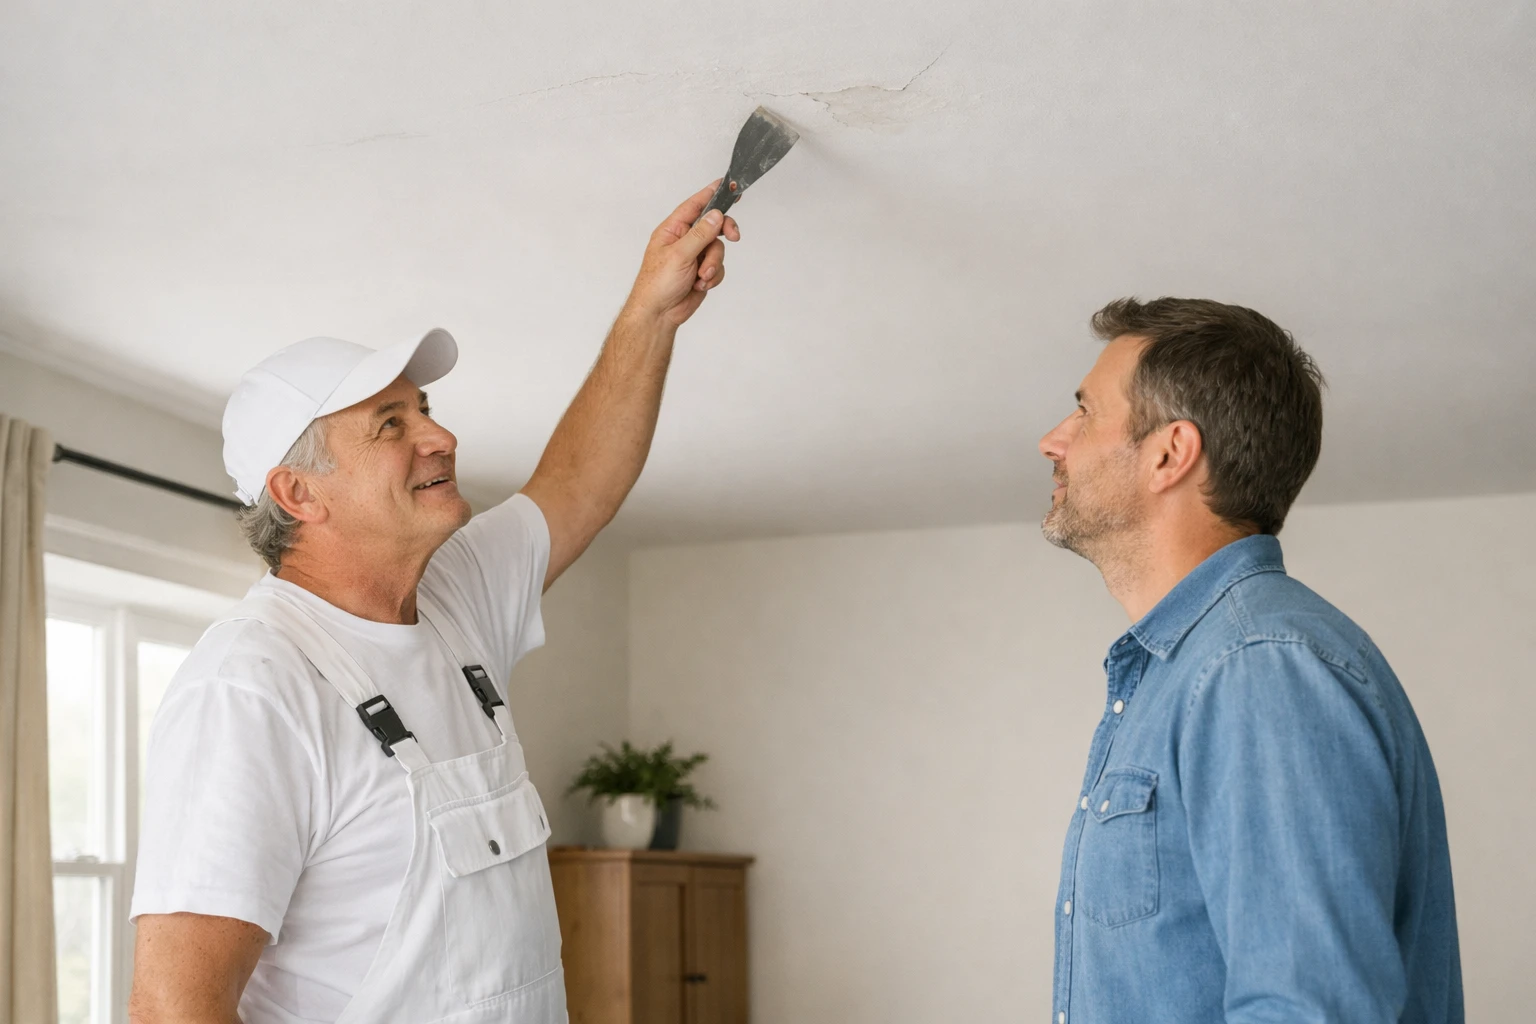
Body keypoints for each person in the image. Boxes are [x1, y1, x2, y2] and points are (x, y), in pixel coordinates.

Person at [126, 185, 741, 1024]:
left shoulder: (452, 597)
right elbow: (175, 1009)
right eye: (390, 423)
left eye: (425, 409)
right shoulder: (250, 687)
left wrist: (652, 312)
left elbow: (577, 483)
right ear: (299, 492)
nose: (440, 436)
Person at [1038, 298, 1462, 1023]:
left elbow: (1313, 1010)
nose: (1053, 439)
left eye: (1084, 411)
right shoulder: (1193, 669)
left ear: (1170, 453)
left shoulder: (1257, 666)